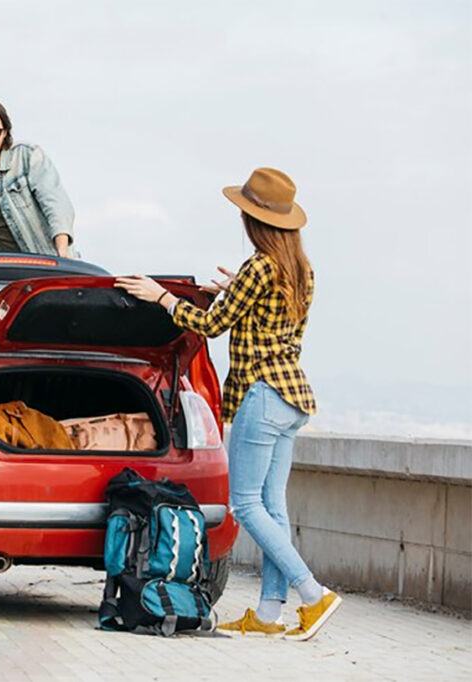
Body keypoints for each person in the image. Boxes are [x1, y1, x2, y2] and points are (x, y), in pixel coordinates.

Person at [114, 167, 341, 642]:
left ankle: (313, 594)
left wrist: (162, 299)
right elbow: (260, 315)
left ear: (254, 221)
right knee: (273, 507)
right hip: (292, 395)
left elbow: (211, 325)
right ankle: (268, 612)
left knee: (245, 504)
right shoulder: (299, 268)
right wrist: (233, 291)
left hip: (262, 394)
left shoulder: (260, 267)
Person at [0, 96, 76, 258]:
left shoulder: (27, 156)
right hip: (5, 270)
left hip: (46, 262)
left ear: (5, 134)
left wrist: (62, 254)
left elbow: (56, 203)